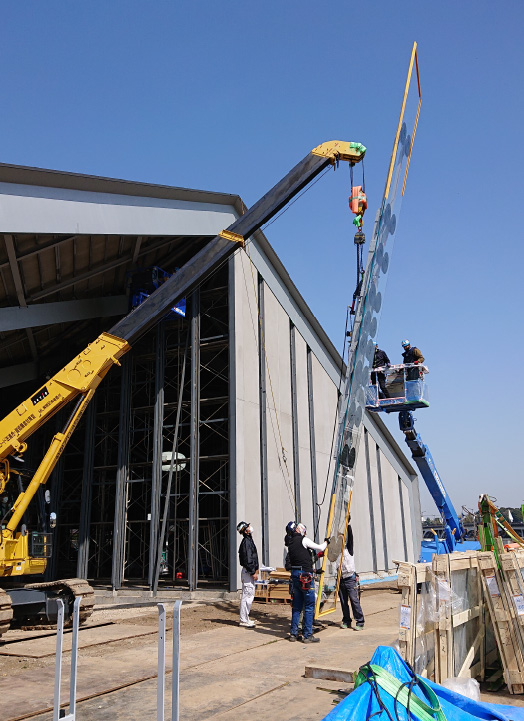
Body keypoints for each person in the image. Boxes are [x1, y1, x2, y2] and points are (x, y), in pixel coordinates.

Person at [286, 522, 329, 643]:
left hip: (295, 575)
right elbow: (320, 547)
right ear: (301, 530)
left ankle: (293, 634)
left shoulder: (290, 543)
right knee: (309, 606)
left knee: (297, 606)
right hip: (305, 576)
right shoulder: (303, 540)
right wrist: (326, 542)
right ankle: (308, 635)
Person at [336, 517, 365, 630]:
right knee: (343, 602)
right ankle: (346, 620)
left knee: (354, 601)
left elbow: (351, 537)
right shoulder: (336, 553)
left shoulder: (348, 549)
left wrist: (347, 524)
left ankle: (360, 621)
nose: (340, 541)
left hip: (349, 578)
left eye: (342, 539)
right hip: (340, 579)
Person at [237, 521, 259, 628]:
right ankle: (244, 620)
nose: (250, 527)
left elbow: (253, 557)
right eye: (248, 526)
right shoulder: (246, 542)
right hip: (248, 572)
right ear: (246, 531)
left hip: (249, 571)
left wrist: (256, 568)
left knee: (249, 595)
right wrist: (253, 571)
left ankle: (246, 618)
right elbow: (248, 559)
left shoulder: (249, 541)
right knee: (247, 596)